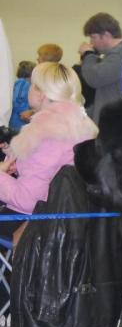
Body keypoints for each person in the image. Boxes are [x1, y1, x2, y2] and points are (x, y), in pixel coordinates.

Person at [0, 62, 98, 239]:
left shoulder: (46, 132)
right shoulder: (82, 125)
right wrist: (14, 156)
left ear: (41, 94)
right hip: (68, 220)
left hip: (34, 222)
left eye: (32, 84)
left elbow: (27, 200)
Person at [78, 12, 122, 122]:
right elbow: (106, 94)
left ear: (106, 35)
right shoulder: (116, 54)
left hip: (117, 124)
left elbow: (95, 78)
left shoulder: (120, 53)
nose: (91, 43)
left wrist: (88, 54)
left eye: (93, 37)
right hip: (113, 120)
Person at [9, 61, 35, 130]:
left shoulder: (24, 83)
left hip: (21, 119)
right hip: (18, 120)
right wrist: (23, 113)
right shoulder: (23, 83)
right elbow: (17, 100)